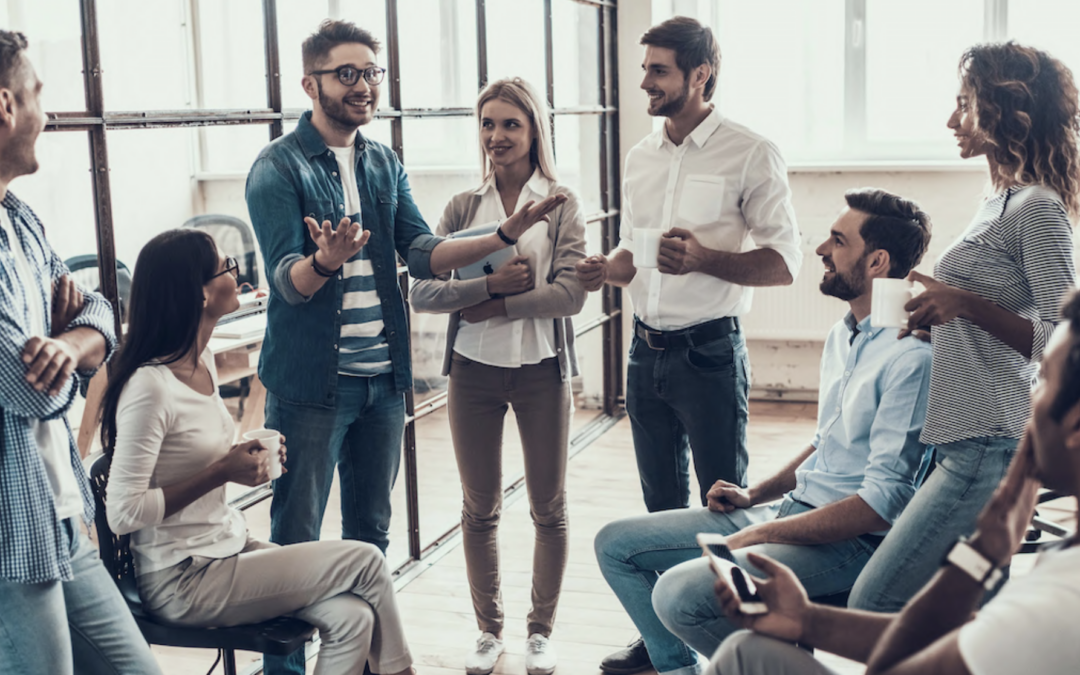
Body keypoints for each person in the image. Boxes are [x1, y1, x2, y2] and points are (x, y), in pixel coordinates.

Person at [245, 20, 561, 674]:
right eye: (348, 73)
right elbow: (287, 281)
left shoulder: (383, 161)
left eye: (372, 73)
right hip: (309, 390)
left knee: (371, 538)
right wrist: (325, 262)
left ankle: (360, 659)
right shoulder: (277, 168)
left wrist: (503, 231)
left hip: (383, 385)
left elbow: (422, 254)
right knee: (296, 541)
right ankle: (285, 669)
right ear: (311, 83)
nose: (364, 85)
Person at [595, 189, 933, 675]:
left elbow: (881, 504)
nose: (821, 250)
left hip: (848, 544)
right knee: (614, 544)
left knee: (678, 594)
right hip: (791, 511)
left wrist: (764, 532)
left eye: (837, 241)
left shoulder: (911, 358)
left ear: (877, 262)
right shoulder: (846, 334)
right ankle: (679, 670)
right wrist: (754, 495)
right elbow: (826, 444)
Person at [708, 291, 1080, 675]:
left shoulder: (1058, 601)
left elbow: (889, 667)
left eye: (1043, 380)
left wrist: (982, 555)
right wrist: (806, 619)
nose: (1028, 397)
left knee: (742, 656)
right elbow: (960, 636)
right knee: (746, 651)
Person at [102, 229, 415, 675]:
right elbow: (122, 512)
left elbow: (190, 454)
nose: (238, 274)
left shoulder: (201, 360)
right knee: (366, 559)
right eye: (227, 268)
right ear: (201, 293)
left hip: (226, 547)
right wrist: (221, 471)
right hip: (182, 578)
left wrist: (239, 455)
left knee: (353, 616)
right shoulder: (149, 387)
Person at [849, 41, 1079, 613]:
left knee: (875, 601)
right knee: (954, 616)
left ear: (1002, 111)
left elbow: (1065, 343)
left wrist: (967, 307)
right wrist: (943, 321)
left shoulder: (1038, 208)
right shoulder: (995, 201)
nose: (952, 120)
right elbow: (991, 313)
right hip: (960, 437)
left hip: (991, 440)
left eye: (965, 104)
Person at [575, 16, 802, 515]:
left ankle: (719, 594)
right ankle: (666, 596)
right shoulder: (640, 158)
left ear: (699, 75)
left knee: (723, 506)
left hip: (710, 357)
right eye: (645, 69)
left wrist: (704, 259)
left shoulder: (751, 152)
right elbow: (630, 255)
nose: (644, 83)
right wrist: (604, 270)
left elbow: (784, 264)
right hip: (643, 353)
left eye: (658, 71)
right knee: (660, 509)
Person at [411, 77, 586, 675]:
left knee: (548, 508)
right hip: (474, 374)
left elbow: (569, 297)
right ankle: (489, 631)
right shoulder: (464, 207)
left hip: (541, 371)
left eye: (510, 123)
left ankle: (541, 632)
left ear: (535, 128)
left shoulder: (561, 203)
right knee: (479, 507)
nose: (497, 136)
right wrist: (487, 286)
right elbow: (424, 288)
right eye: (487, 124)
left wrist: (499, 305)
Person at [0, 30, 162, 675]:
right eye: (39, 94)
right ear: (5, 104)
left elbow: (101, 310)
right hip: (10, 535)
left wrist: (70, 342)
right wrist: (79, 355)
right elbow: (26, 387)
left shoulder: (20, 219)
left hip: (58, 516)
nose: (51, 112)